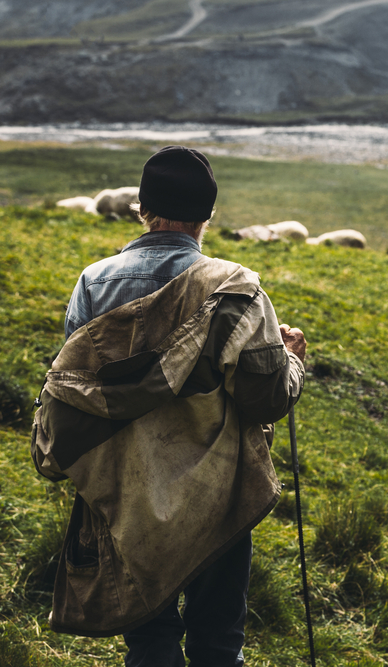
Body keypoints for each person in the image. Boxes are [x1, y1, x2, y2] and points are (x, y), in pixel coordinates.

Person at [30, 145, 306, 666]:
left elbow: (72, 384)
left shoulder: (93, 283)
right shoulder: (237, 290)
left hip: (125, 494)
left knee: (151, 640)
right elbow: (265, 400)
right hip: (218, 496)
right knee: (218, 640)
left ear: (141, 208)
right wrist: (291, 361)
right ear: (207, 217)